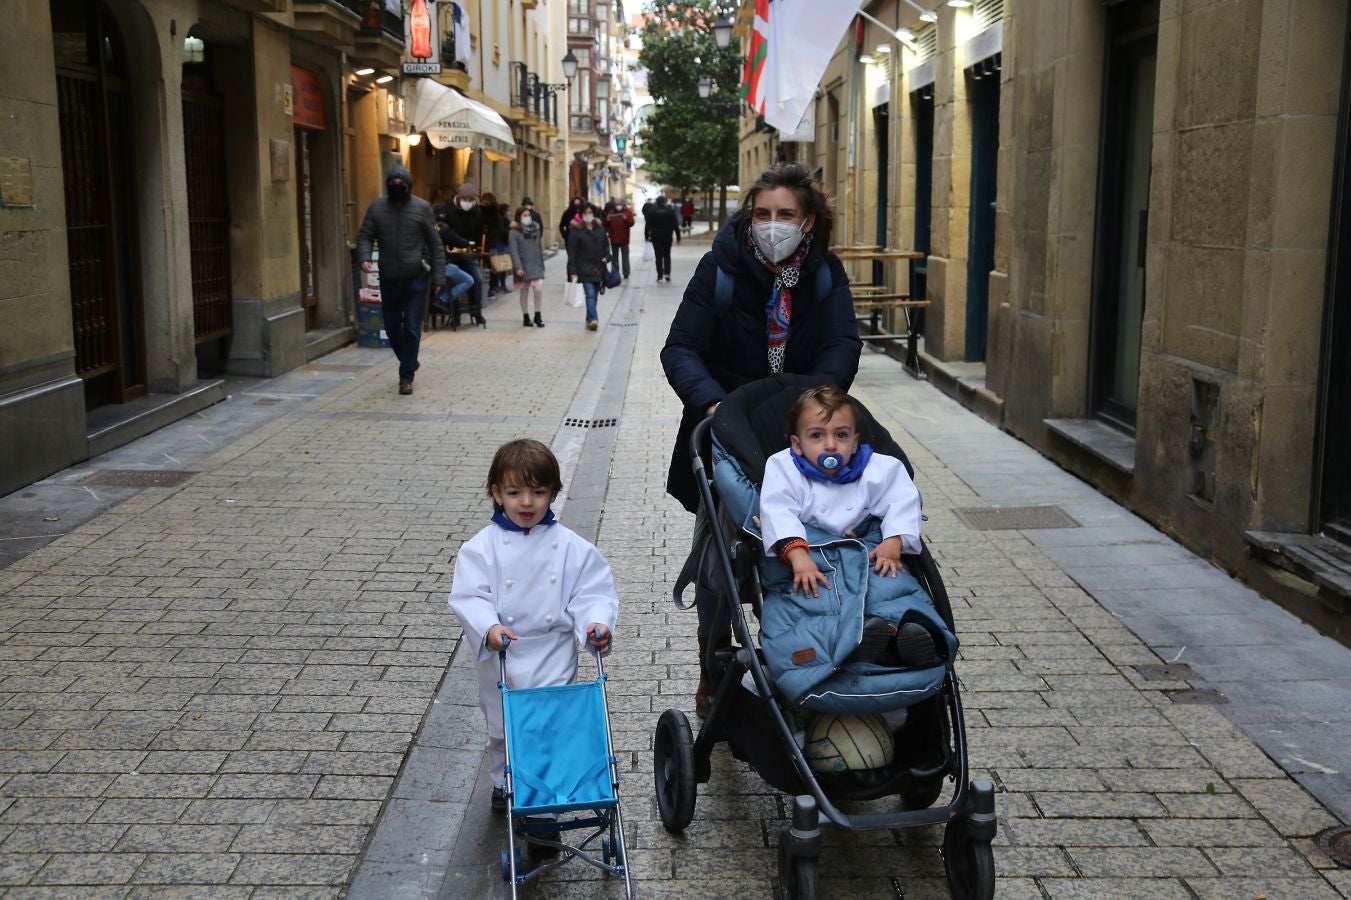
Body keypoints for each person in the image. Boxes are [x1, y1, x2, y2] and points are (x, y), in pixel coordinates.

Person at [660, 162, 862, 716]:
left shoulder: (825, 274)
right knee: (721, 553)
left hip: (803, 435)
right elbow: (679, 349)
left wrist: (815, 406)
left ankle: (817, 644)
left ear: (809, 221)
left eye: (786, 215)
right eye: (763, 214)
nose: (773, 225)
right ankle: (713, 659)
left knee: (824, 535)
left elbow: (843, 343)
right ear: (750, 217)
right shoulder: (720, 268)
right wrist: (715, 405)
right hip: (726, 431)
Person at [447, 438, 619, 815]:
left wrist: (595, 623)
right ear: (496, 493)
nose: (527, 502)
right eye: (515, 492)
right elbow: (470, 596)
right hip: (503, 654)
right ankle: (502, 782)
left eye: (538, 492)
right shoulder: (481, 548)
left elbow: (590, 590)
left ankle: (544, 803)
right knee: (503, 729)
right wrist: (488, 627)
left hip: (553, 651)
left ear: (554, 493)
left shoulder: (571, 546)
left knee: (549, 727)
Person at [759, 385, 938, 666]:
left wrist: (893, 541)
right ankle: (859, 639)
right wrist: (797, 555)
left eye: (841, 435)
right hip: (813, 556)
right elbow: (777, 510)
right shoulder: (784, 468)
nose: (830, 445)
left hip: (868, 551)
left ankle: (910, 633)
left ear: (854, 442)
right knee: (811, 598)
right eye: (817, 435)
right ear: (797, 444)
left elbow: (902, 499)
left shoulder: (878, 469)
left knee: (893, 585)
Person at [356, 165, 445, 396]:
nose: (397, 189)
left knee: (413, 327)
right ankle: (409, 359)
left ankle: (406, 377)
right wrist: (364, 256)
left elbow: (435, 243)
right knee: (392, 325)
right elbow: (365, 234)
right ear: (387, 186)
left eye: (401, 186)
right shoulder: (376, 208)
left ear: (408, 187)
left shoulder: (422, 208)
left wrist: (438, 276)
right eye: (393, 185)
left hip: (416, 276)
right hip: (389, 276)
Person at [441, 183, 488, 327]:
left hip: (467, 252)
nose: (468, 203)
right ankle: (454, 313)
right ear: (459, 198)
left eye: (471, 200)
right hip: (450, 253)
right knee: (454, 279)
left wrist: (476, 247)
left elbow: (480, 231)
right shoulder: (446, 209)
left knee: (477, 278)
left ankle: (476, 311)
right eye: (465, 200)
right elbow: (444, 231)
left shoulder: (476, 211)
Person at [566, 202, 612, 331]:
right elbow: (572, 252)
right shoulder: (575, 231)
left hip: (599, 268)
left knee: (594, 296)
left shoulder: (599, 228)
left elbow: (606, 245)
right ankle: (593, 319)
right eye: (585, 213)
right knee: (590, 294)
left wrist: (607, 257)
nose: (588, 215)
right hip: (583, 268)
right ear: (581, 215)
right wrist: (572, 271)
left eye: (590, 212)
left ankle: (589, 319)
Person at [508, 205, 547, 328]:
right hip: (523, 266)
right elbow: (514, 251)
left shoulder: (536, 229)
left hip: (535, 265)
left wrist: (541, 263)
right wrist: (518, 267)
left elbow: (539, 248)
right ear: (519, 217)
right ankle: (525, 316)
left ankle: (538, 315)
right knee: (524, 291)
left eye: (529, 215)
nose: (527, 217)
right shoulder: (514, 232)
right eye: (524, 215)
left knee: (538, 289)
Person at [480, 192, 510, 296]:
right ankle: (496, 286)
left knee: (495, 266)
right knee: (496, 266)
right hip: (493, 242)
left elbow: (498, 228)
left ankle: (494, 287)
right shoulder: (488, 212)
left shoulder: (493, 213)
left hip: (493, 242)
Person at [646, 196, 681, 282]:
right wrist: (678, 236)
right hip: (667, 237)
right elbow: (675, 225)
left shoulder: (652, 211)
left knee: (658, 256)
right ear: (665, 202)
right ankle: (667, 274)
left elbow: (647, 225)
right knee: (667, 255)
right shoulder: (670, 211)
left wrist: (646, 236)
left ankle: (660, 275)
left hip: (655, 237)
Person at [604, 197, 636, 281]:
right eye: (616, 204)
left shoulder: (627, 212)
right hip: (614, 238)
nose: (618, 205)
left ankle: (626, 273)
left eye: (619, 204)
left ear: (623, 204)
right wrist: (607, 220)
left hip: (624, 238)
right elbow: (606, 224)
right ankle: (615, 272)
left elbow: (632, 223)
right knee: (614, 258)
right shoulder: (611, 212)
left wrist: (626, 219)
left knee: (625, 257)